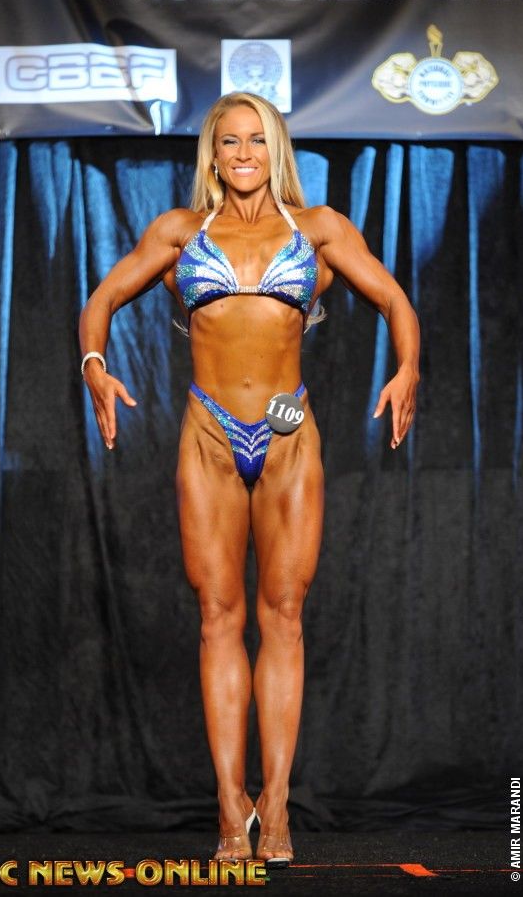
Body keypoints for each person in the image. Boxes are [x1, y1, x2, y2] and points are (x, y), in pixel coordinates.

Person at [78, 92, 420, 867]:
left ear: (276, 150)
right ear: (213, 152)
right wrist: (94, 364)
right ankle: (231, 807)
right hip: (207, 435)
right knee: (218, 617)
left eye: (257, 140)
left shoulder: (319, 229)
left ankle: (278, 802)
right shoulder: (180, 232)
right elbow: (103, 300)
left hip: (289, 433)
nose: (243, 154)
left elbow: (394, 300)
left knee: (285, 616)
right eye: (229, 141)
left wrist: (408, 368)